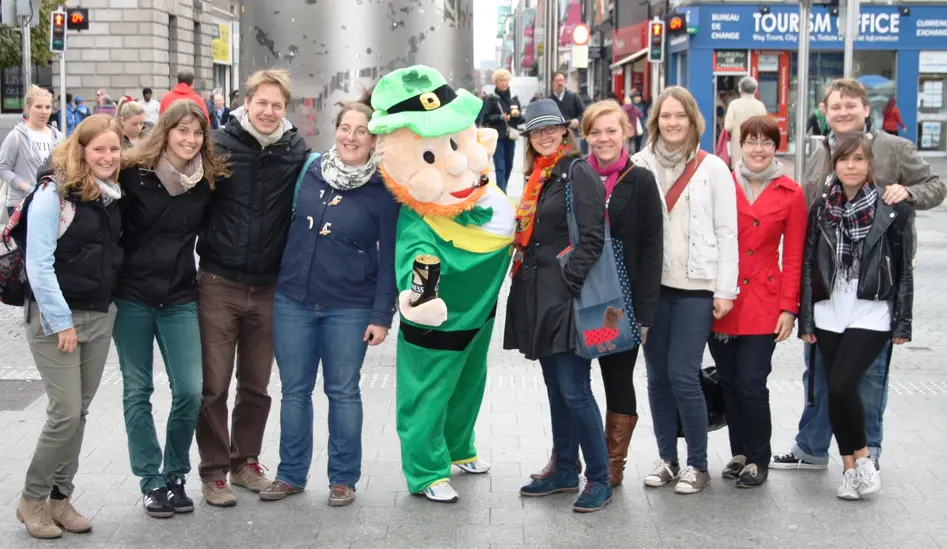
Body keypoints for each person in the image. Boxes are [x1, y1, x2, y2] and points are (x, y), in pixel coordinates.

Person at [774, 78, 944, 471]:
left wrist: (908, 192)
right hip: (827, 286)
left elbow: (936, 184)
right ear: (825, 112)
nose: (843, 112)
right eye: (836, 107)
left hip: (876, 285)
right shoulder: (822, 153)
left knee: (867, 377)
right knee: (816, 374)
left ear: (866, 109)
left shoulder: (894, 148)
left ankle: (870, 451)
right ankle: (811, 447)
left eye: (851, 105)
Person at [259, 91, 399, 506]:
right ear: (333, 130)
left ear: (374, 140)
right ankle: (290, 474)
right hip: (293, 301)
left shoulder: (384, 188)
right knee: (295, 391)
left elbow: (391, 256)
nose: (351, 137)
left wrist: (381, 315)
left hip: (350, 307)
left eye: (361, 131)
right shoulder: (311, 170)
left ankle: (343, 478)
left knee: (343, 392)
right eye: (345, 128)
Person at [195, 69, 309, 507]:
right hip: (219, 282)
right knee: (214, 385)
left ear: (285, 109)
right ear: (246, 102)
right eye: (261, 102)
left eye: (277, 105)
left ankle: (245, 463)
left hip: (269, 287)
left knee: (257, 384)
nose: (268, 111)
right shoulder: (219, 145)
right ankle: (213, 472)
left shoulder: (294, 149)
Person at [114, 100, 229, 518]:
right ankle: (150, 481)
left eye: (198, 133)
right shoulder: (134, 175)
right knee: (137, 389)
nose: (191, 139)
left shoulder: (206, 182)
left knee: (190, 390)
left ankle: (176, 472)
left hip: (180, 296)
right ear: (165, 132)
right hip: (132, 298)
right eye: (182, 131)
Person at [13, 115, 124, 539]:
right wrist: (61, 322)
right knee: (63, 414)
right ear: (80, 150)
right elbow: (38, 264)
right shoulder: (53, 195)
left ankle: (61, 499)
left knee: (78, 413)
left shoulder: (113, 194)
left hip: (99, 314)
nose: (108, 157)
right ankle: (32, 499)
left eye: (114, 149)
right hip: (56, 319)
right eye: (99, 149)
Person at [505, 99, 612, 513]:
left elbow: (592, 238)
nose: (545, 136)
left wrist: (567, 284)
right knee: (556, 389)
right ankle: (566, 470)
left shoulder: (577, 172)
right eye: (537, 131)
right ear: (529, 138)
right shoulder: (540, 176)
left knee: (574, 389)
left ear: (565, 132)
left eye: (551, 129)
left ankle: (599, 478)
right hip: (539, 296)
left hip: (564, 298)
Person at [631, 86, 738, 495]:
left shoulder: (714, 168)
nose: (672, 123)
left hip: (697, 286)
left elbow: (727, 232)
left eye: (680, 116)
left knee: (683, 373)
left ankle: (697, 463)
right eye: (665, 116)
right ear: (655, 120)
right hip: (653, 289)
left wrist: (725, 290)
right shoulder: (640, 165)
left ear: (693, 121)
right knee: (657, 376)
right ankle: (667, 458)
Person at [798, 135, 913, 500]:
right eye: (844, 160)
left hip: (871, 310)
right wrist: (806, 320)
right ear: (834, 165)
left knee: (844, 385)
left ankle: (863, 458)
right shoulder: (820, 208)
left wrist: (903, 322)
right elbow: (806, 265)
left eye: (858, 159)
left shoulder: (891, 208)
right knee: (835, 392)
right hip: (829, 311)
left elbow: (904, 269)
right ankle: (848, 471)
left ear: (869, 166)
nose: (850, 166)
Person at [708, 115, 807, 489]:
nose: (758, 149)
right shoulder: (721, 184)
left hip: (765, 299)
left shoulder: (790, 192)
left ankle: (758, 457)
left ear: (775, 147)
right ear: (739, 145)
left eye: (766, 142)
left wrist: (789, 308)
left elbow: (794, 254)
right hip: (723, 296)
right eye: (751, 141)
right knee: (729, 381)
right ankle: (739, 453)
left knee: (752, 381)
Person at [584, 100, 663, 486]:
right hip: (579, 302)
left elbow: (652, 250)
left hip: (618, 305)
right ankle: (566, 457)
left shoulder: (641, 180)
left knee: (617, 379)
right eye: (596, 132)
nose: (603, 139)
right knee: (574, 384)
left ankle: (612, 465)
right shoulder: (576, 174)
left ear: (625, 132)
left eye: (611, 130)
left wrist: (644, 314)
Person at [0, 86, 64, 216]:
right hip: (21, 203)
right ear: (28, 108)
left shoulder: (57, 136)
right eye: (38, 107)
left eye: (47, 107)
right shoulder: (16, 136)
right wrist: (27, 187)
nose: (44, 112)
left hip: (50, 202)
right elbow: (3, 168)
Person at [480, 69, 524, 193]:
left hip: (511, 136)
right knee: (500, 167)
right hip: (498, 136)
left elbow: (520, 119)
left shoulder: (514, 99)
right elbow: (485, 118)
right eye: (500, 81)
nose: (503, 83)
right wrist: (500, 117)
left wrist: (517, 116)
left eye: (505, 80)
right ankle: (502, 194)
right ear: (496, 82)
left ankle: (502, 190)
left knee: (509, 166)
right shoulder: (492, 99)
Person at [724, 77, 768, 170]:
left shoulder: (734, 104)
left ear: (740, 89)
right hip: (756, 144)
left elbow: (728, 126)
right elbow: (766, 126)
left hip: (738, 145)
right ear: (755, 90)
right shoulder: (760, 105)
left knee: (738, 171)